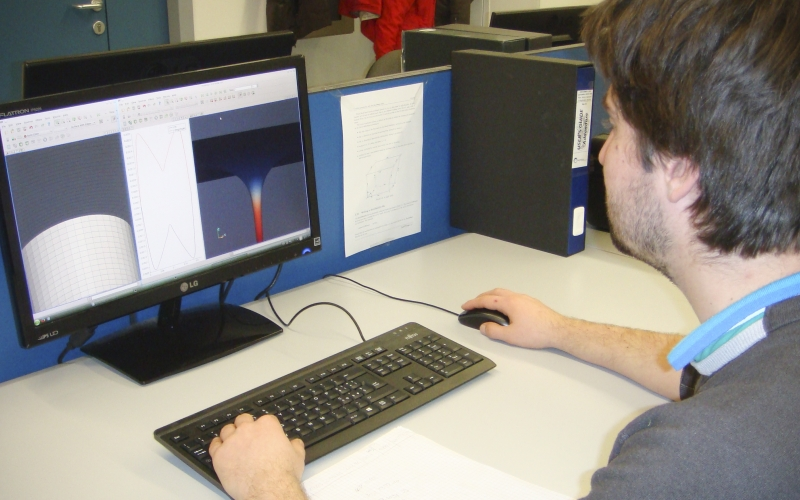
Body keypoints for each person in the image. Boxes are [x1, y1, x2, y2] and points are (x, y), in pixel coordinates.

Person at [208, 0, 800, 497]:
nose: (600, 153)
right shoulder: (771, 350)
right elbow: (709, 368)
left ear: (679, 168)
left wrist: (267, 484)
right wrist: (562, 330)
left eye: (615, 126)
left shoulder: (689, 464)